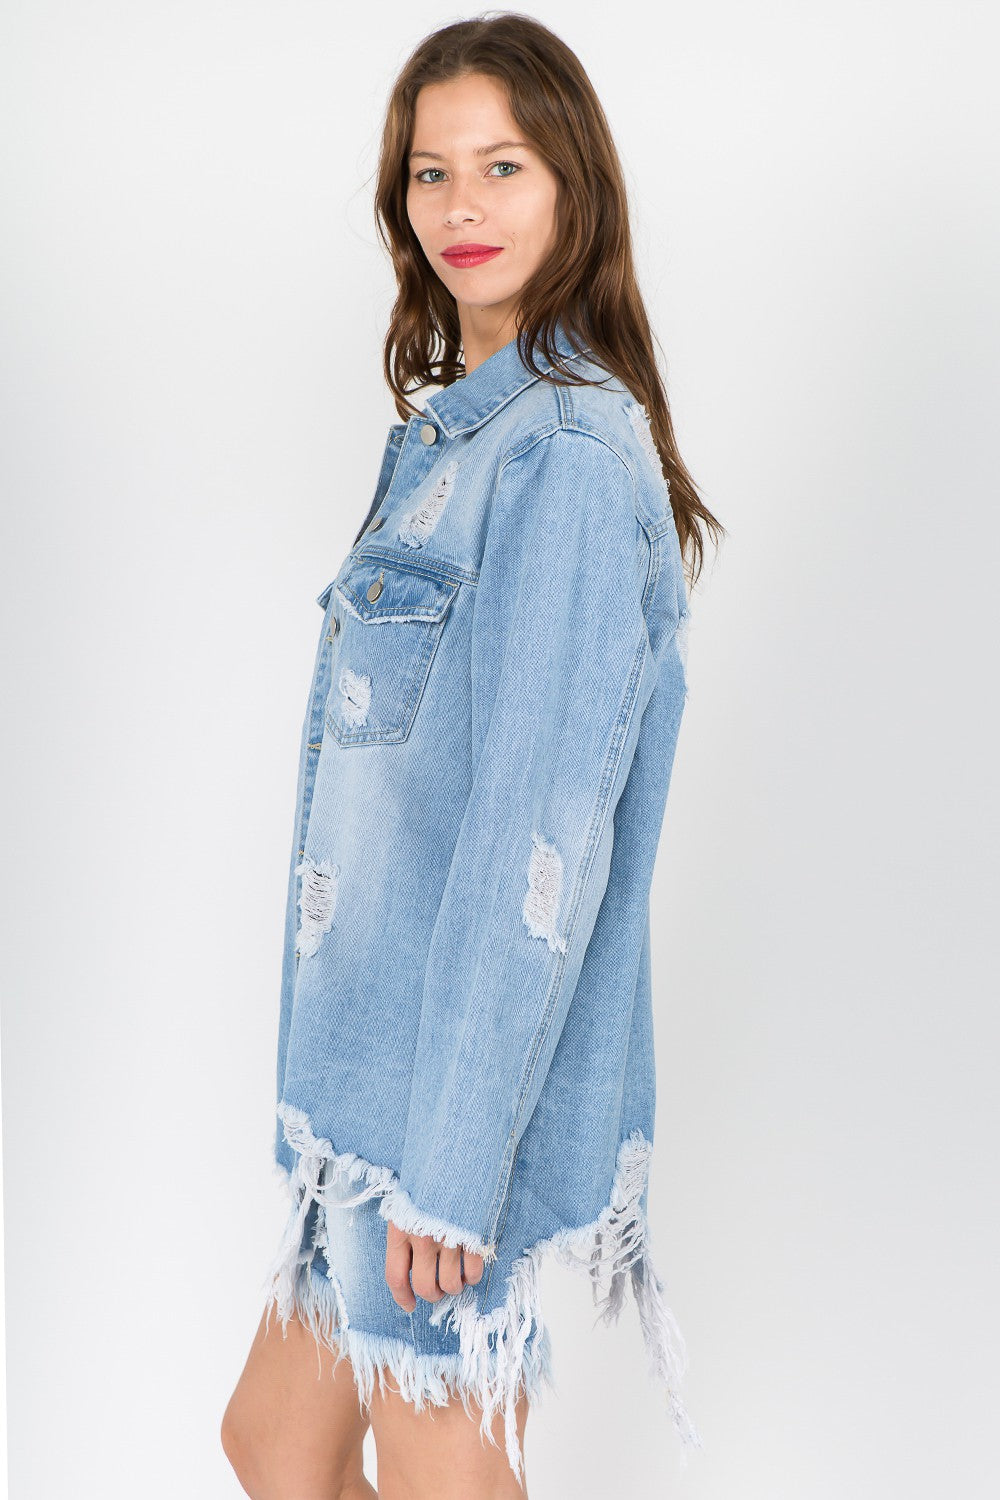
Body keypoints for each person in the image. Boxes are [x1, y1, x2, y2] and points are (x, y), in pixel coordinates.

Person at [222, 14, 724, 1499]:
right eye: (431, 174)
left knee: (442, 1466)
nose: (462, 209)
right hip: (361, 1090)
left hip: (442, 1112)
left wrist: (455, 1159)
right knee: (277, 1438)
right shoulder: (458, 441)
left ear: (572, 180)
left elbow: (532, 848)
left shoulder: (566, 459)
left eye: (501, 166)